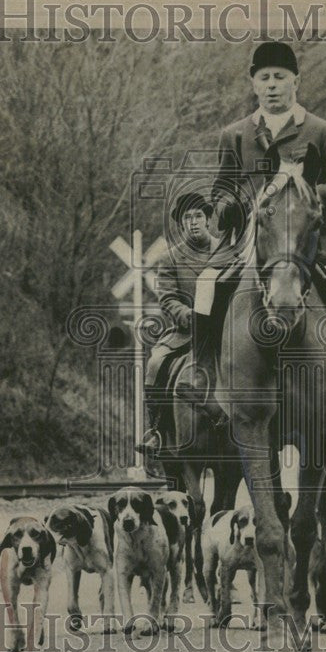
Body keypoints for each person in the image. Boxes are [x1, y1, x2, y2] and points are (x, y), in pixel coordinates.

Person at [178, 40, 326, 417]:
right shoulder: (234, 134)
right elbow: (222, 188)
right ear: (253, 84)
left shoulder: (323, 132)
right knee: (206, 284)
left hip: (310, 241)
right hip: (250, 243)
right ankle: (201, 371)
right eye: (264, 77)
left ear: (295, 81)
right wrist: (229, 206)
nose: (272, 85)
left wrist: (307, 196)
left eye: (280, 77)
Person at [135, 192, 216, 459]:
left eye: (198, 216)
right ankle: (157, 431)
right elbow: (167, 298)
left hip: (227, 331)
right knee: (155, 362)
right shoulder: (171, 258)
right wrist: (191, 317)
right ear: (182, 224)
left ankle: (274, 428)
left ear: (208, 219)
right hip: (186, 333)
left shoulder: (228, 252)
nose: (193, 222)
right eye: (188, 218)